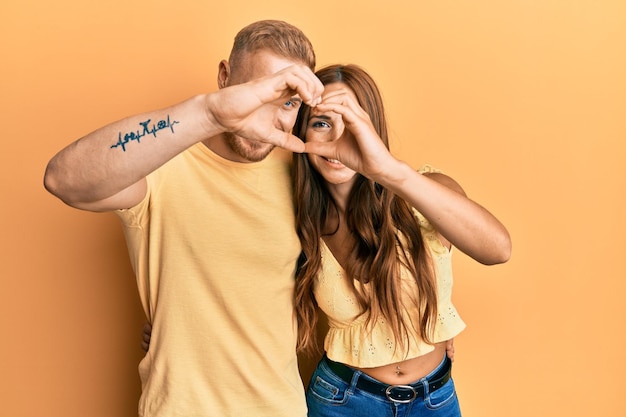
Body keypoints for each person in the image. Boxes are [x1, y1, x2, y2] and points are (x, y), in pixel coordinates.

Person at [43, 20, 325, 417]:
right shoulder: (161, 164)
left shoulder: (302, 180)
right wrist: (211, 112)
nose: (271, 118)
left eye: (288, 102)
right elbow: (62, 179)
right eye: (258, 93)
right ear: (225, 77)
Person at [291, 64, 512, 416]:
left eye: (352, 123)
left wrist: (387, 170)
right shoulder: (299, 219)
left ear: (372, 130)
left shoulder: (425, 191)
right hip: (340, 400)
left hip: (433, 402)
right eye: (322, 123)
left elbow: (498, 250)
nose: (337, 140)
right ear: (302, 133)